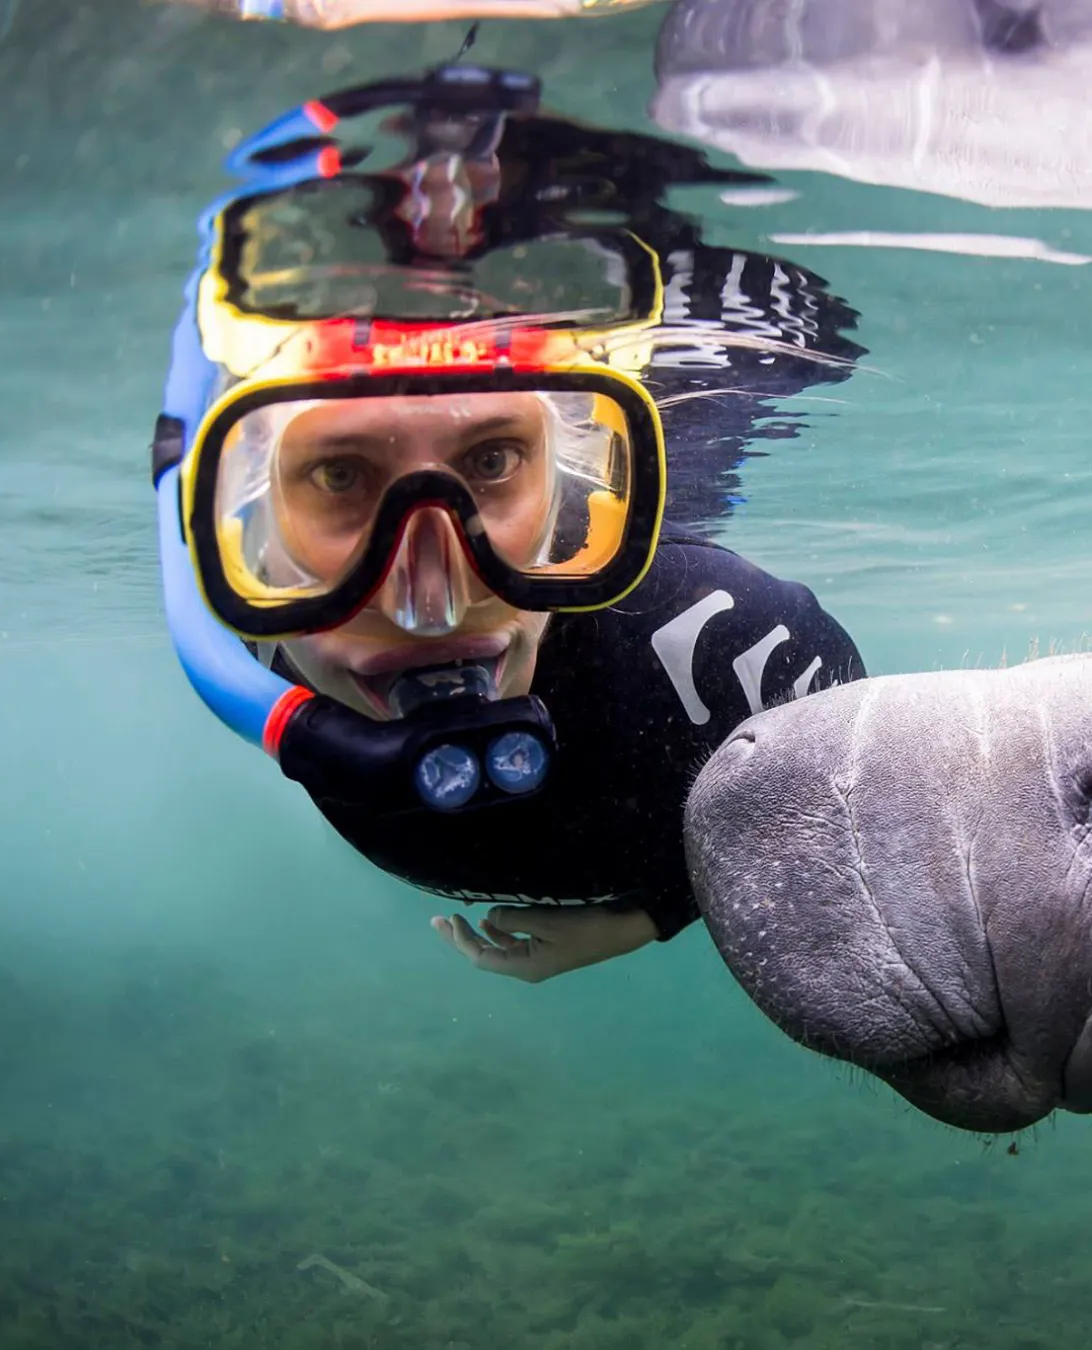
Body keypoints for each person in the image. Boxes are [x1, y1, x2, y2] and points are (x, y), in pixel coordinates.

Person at [152, 65, 866, 981]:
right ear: (241, 511)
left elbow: (849, 780)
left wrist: (666, 908)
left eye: (491, 462)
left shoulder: (709, 628)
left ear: (571, 475)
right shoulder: (252, 613)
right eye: (339, 475)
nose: (427, 603)